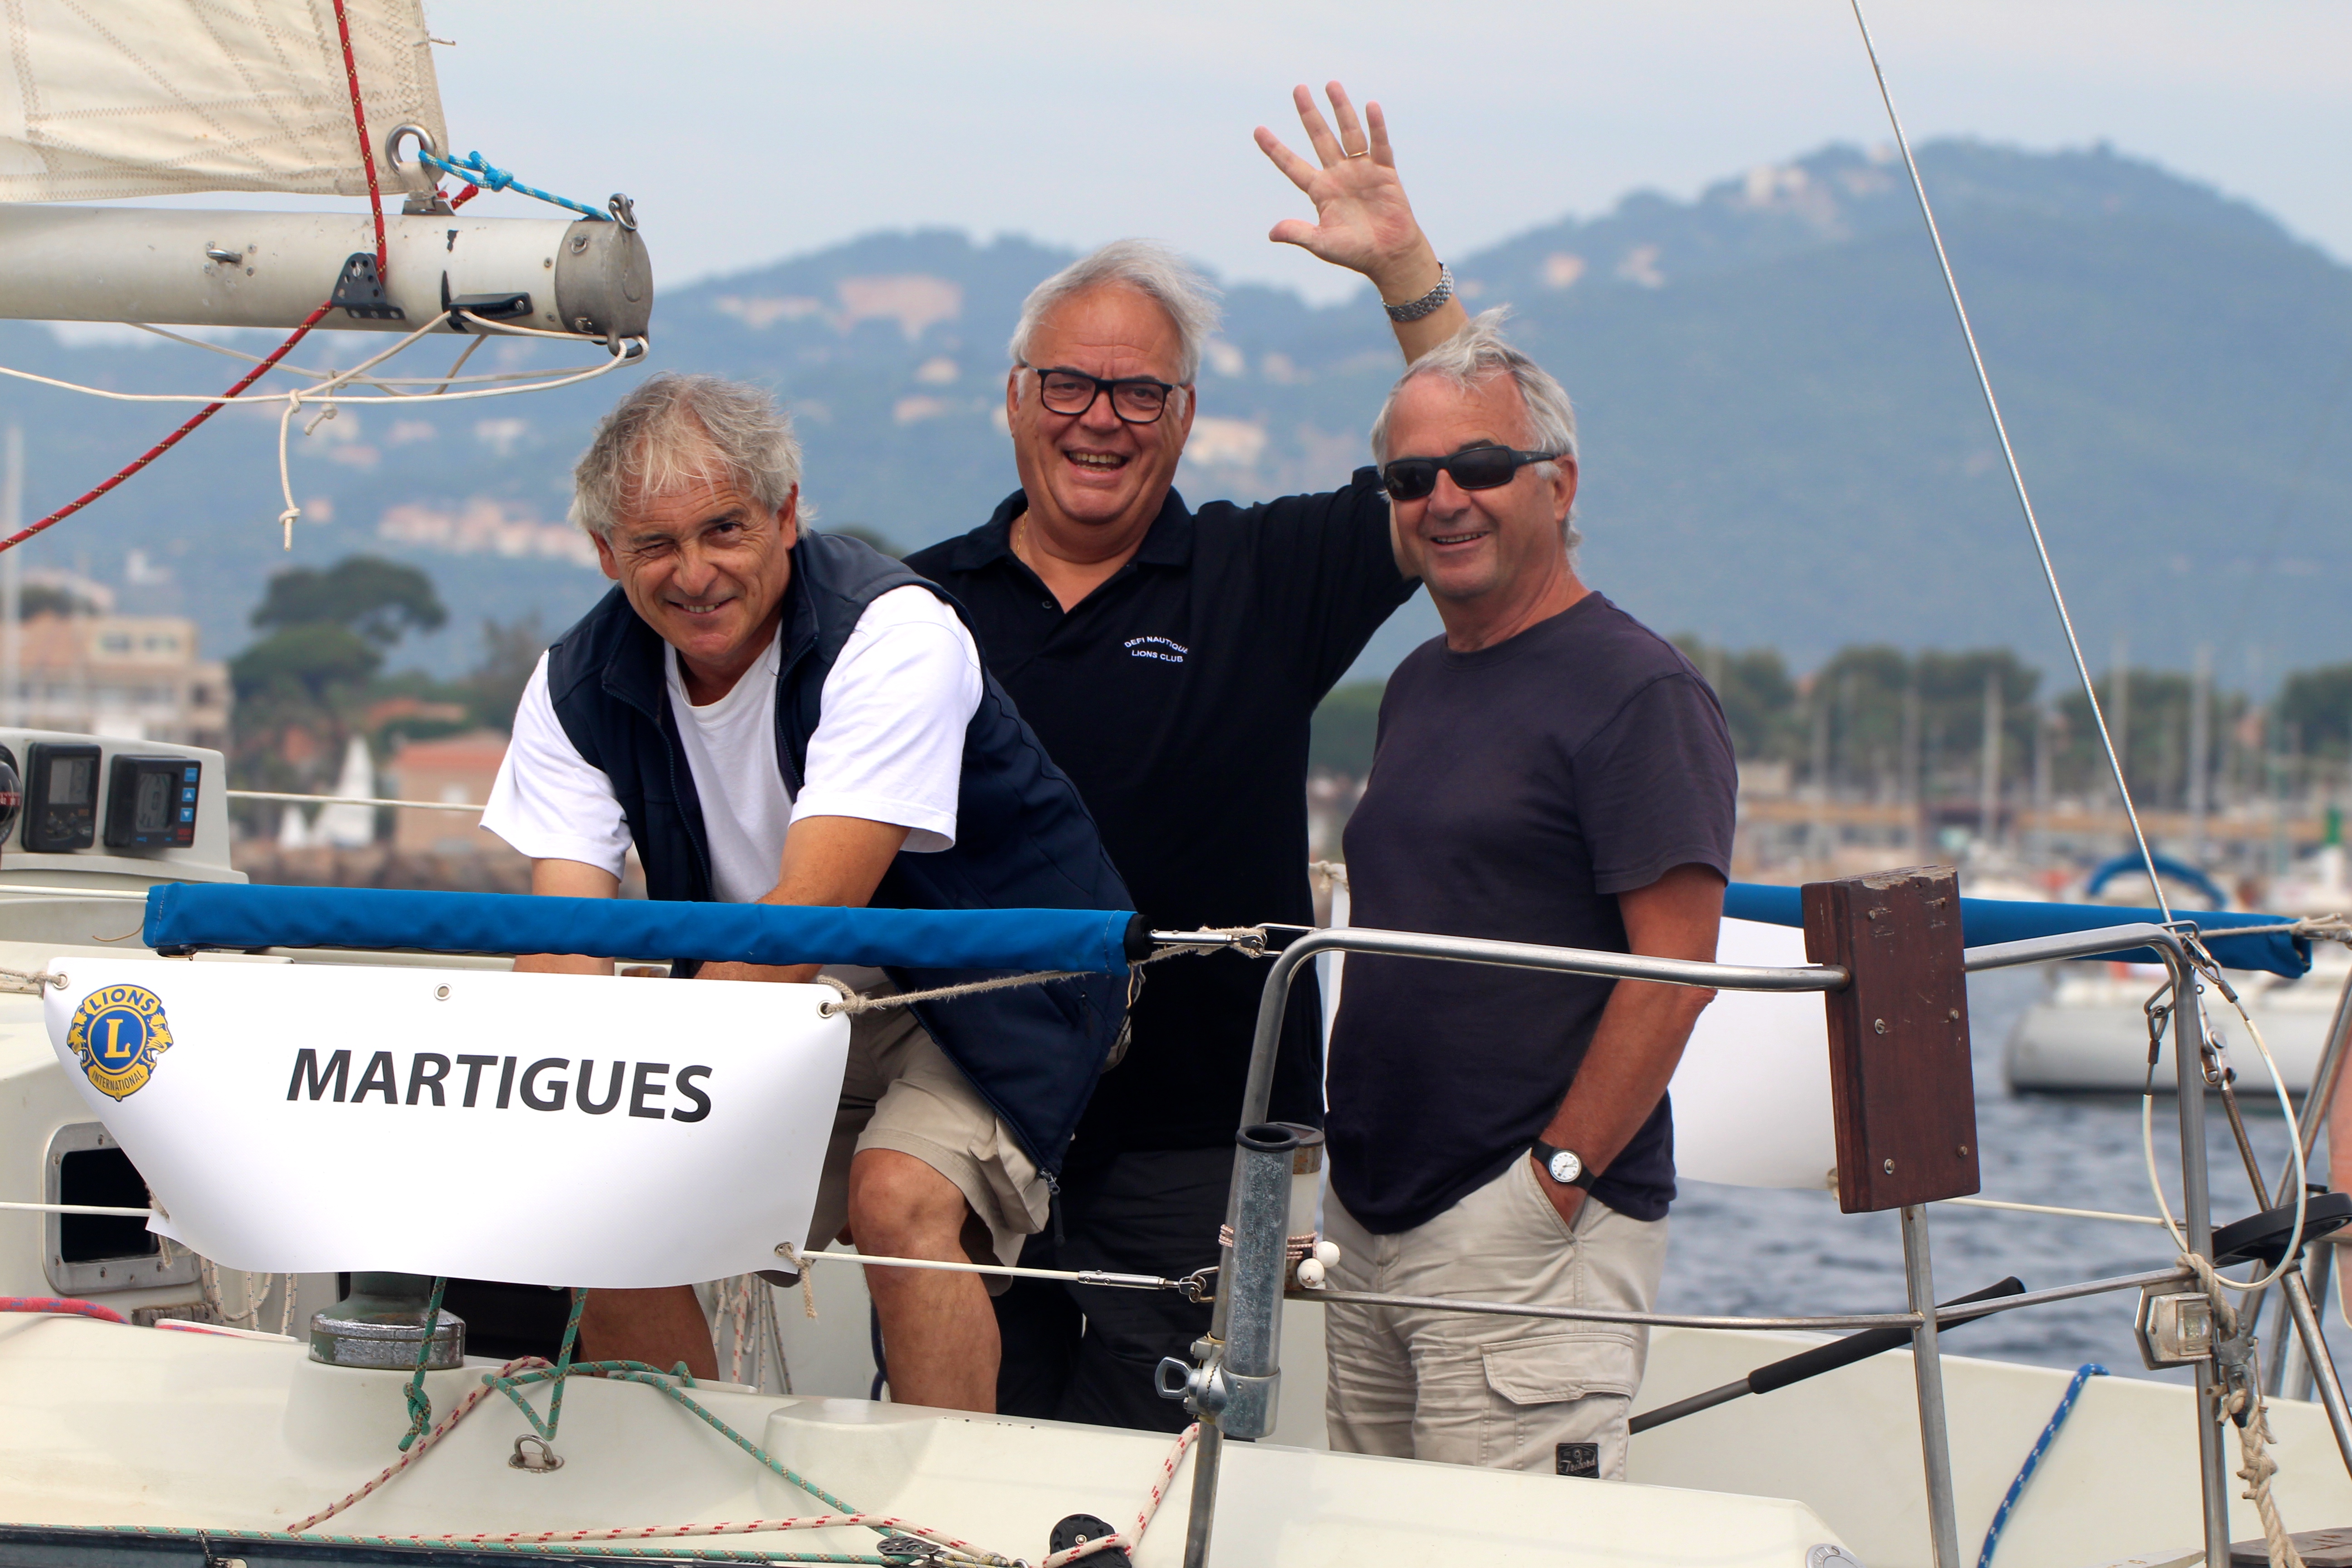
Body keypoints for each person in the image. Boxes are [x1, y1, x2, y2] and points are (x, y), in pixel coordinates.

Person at [904, 82, 1464, 1431]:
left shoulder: (1261, 576)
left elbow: (1475, 455)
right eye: (1070, 384)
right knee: (957, 1456)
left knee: (1159, 1483)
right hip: (967, 1108)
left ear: (1187, 413)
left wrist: (1406, 270)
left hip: (1201, 1131)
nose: (1101, 418)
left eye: (1140, 391)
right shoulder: (912, 610)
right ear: (1016, 399)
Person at [480, 372, 1132, 1411]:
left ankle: (940, 1495)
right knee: (598, 1191)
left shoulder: (892, 634)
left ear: (787, 516)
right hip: (788, 995)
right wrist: (568, 1117)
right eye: (655, 545)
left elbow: (808, 916)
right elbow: (563, 945)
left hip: (990, 986)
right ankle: (682, 1479)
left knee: (898, 1197)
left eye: (724, 529)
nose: (696, 573)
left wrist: (642, 1079)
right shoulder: (574, 686)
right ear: (607, 555)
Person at [1319, 314, 1737, 1479]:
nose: (1445, 499)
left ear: (1559, 482)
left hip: (1524, 1230)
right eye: (1412, 478)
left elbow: (1676, 973)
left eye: (1482, 466)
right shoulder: (1418, 681)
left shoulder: (1638, 692)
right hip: (1372, 1218)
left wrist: (1552, 1183)